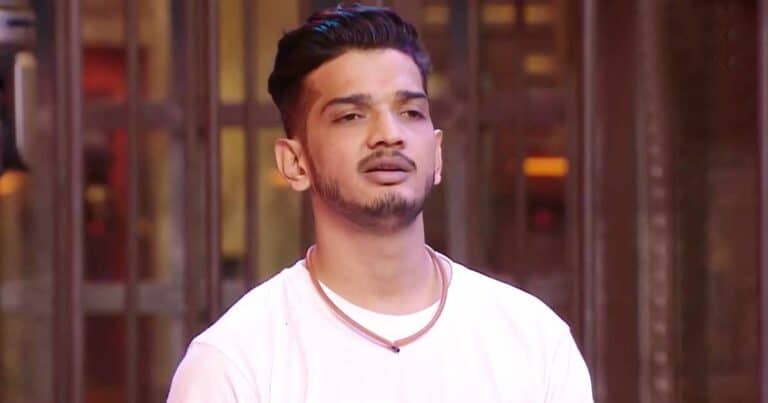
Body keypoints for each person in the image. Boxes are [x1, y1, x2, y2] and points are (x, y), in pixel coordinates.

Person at [167, 4, 593, 402]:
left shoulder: (532, 342)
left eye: (410, 113)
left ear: (437, 153)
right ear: (294, 163)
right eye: (351, 116)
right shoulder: (235, 364)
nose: (389, 135)